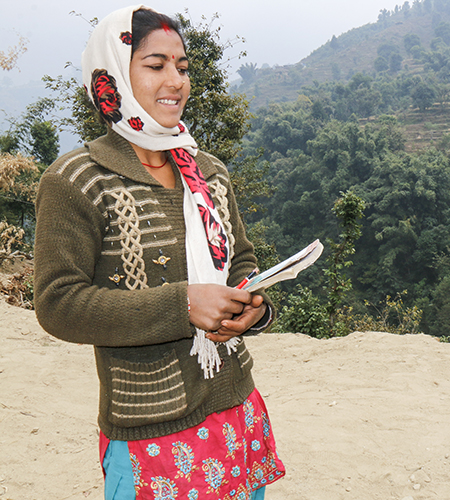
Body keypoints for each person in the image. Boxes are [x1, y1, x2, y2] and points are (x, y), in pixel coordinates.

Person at [33, 6, 284, 498]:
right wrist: (183, 305)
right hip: (150, 428)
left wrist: (252, 307)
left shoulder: (207, 172)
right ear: (112, 77)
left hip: (234, 402)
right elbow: (58, 304)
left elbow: (242, 261)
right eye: (155, 65)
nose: (176, 80)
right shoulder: (77, 180)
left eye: (183, 67)